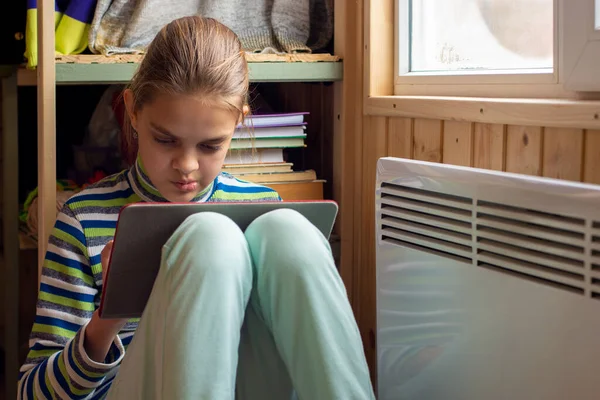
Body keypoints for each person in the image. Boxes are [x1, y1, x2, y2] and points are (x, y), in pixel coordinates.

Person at [18, 15, 375, 400]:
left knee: (287, 230)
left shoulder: (263, 208)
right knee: (212, 235)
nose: (186, 166)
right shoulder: (83, 220)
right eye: (165, 140)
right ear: (133, 111)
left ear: (238, 123)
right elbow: (32, 393)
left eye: (209, 146)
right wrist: (108, 318)